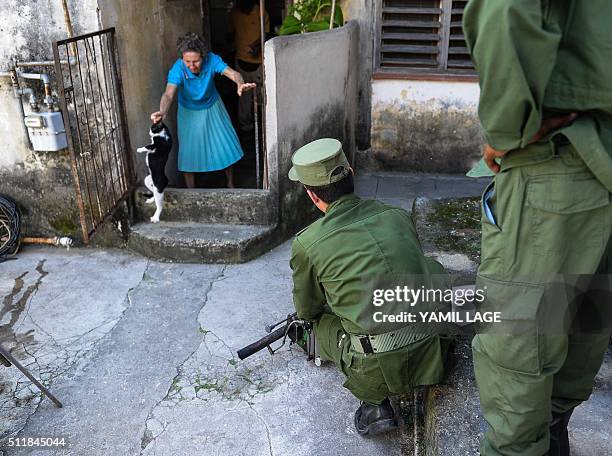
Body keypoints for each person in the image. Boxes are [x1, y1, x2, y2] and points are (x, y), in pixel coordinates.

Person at [463, 1, 612, 455]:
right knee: (587, 310)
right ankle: (554, 430)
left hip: (558, 160)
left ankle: (528, 443)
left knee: (517, 339)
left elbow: (509, 9)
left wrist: (504, 133)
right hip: (603, 154)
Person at [288, 138, 453, 436]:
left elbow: (307, 309)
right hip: (432, 351)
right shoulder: (398, 216)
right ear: (351, 172)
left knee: (314, 326)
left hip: (374, 370)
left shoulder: (307, 243)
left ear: (312, 196)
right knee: (431, 270)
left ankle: (375, 404)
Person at [151, 32, 255, 188]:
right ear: (182, 59)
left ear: (203, 56)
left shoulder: (212, 60)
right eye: (188, 61)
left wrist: (240, 84)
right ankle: (191, 191)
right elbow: (168, 94)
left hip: (213, 106)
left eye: (196, 61)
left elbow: (233, 74)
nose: (192, 66)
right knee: (188, 152)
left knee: (224, 146)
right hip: (188, 111)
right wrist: (162, 112)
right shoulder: (178, 68)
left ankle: (230, 184)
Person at [228, 0, 270, 132]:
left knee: (262, 95)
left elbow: (267, 33)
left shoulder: (261, 11)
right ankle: (246, 126)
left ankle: (265, 125)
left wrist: (258, 45)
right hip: (241, 60)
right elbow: (230, 33)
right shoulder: (234, 13)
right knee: (244, 98)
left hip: (259, 62)